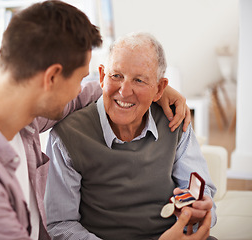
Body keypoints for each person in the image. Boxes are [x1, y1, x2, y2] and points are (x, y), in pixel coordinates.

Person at [0, 1, 198, 239]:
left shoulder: (19, 117)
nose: (83, 89)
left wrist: (155, 90)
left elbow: (92, 93)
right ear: (51, 78)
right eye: (80, 78)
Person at [45, 32, 217, 240]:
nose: (125, 92)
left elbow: (201, 191)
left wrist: (199, 212)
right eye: (116, 76)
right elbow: (60, 225)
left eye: (139, 80)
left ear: (160, 88)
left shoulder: (175, 121)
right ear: (101, 76)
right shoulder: (66, 136)